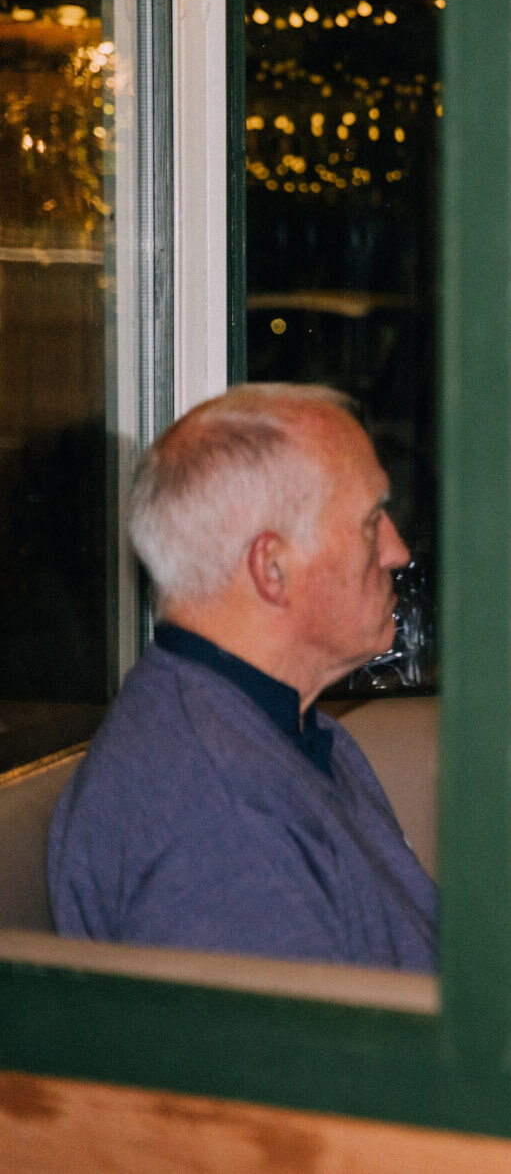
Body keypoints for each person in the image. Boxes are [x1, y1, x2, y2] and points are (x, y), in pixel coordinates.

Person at [46, 384, 436, 970]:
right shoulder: (220, 823)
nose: (398, 551)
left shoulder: (277, 729)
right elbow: (311, 1060)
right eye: (370, 521)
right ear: (271, 568)